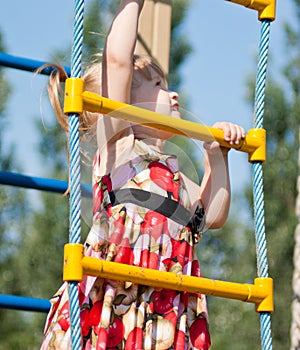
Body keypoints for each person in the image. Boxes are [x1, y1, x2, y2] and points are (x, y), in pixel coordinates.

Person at [40, 1, 246, 349]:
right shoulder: (119, 146)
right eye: (157, 85)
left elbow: (212, 216)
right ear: (125, 102)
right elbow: (119, 61)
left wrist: (217, 158)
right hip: (118, 294)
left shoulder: (175, 176)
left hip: (164, 309)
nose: (173, 92)